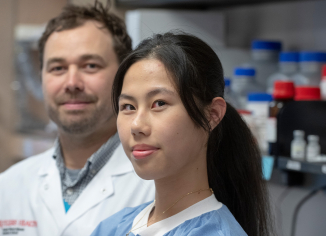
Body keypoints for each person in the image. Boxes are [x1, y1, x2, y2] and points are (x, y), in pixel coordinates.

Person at [0, 2, 155, 236]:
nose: (72, 83)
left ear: (124, 77)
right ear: (41, 78)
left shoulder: (158, 186)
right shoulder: (7, 188)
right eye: (58, 68)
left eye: (90, 65)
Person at [90, 32, 273, 236]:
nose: (136, 125)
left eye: (159, 103)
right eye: (128, 106)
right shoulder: (112, 227)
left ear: (212, 114)